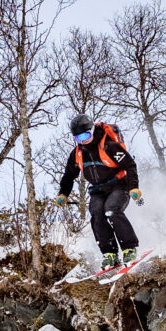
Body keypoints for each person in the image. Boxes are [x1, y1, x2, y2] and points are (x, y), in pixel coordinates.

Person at [56, 113, 142, 270]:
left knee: (111, 210)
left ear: (93, 130)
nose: (83, 140)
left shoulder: (109, 147)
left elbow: (130, 165)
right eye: (78, 138)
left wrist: (133, 187)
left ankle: (129, 248)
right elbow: (69, 175)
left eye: (86, 135)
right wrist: (63, 193)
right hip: (97, 190)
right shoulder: (77, 154)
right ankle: (109, 253)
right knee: (96, 213)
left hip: (118, 185)